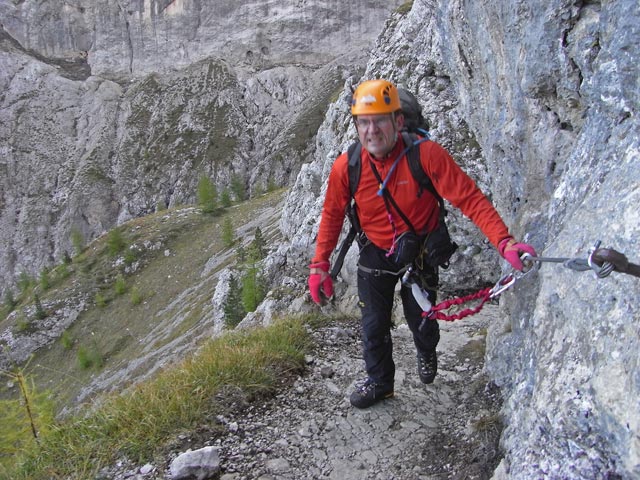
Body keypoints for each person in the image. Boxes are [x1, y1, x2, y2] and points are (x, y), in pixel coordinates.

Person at [308, 79, 536, 409]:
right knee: (373, 324)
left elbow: (470, 200)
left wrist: (504, 242)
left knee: (422, 321)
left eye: (380, 121)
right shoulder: (348, 167)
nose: (371, 131)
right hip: (376, 249)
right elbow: (331, 215)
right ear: (356, 125)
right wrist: (319, 265)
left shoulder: (426, 155)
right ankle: (380, 381)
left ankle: (426, 349)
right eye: (363, 123)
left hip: (421, 251)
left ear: (398, 122)